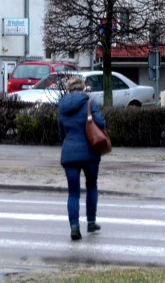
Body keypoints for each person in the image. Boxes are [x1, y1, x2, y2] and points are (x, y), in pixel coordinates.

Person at [58, 76, 106, 241]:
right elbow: (100, 123)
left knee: (73, 192)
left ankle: (74, 226)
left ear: (69, 89)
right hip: (90, 152)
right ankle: (91, 222)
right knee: (91, 185)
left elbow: (61, 132)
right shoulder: (89, 103)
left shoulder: (62, 106)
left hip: (69, 153)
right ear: (83, 88)